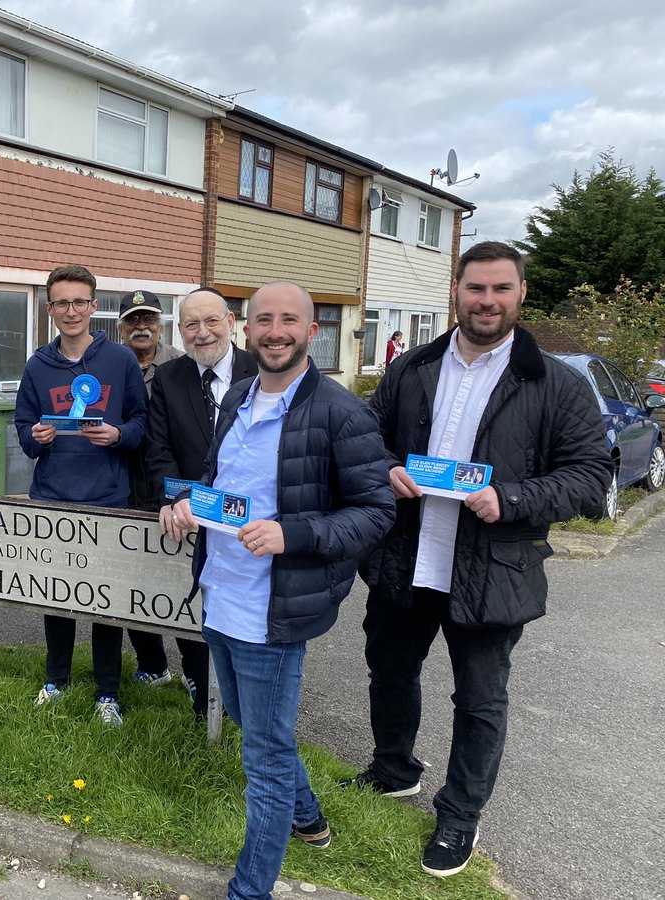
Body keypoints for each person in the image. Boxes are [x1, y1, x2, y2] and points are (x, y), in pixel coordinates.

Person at [350, 241, 612, 877]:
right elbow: (365, 438)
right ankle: (394, 770)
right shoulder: (413, 368)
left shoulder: (556, 382)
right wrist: (384, 468)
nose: (487, 301)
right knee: (389, 670)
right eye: (475, 289)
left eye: (500, 289)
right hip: (406, 560)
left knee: (480, 700)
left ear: (521, 295)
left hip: (492, 572)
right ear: (456, 292)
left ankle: (459, 816)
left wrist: (514, 496)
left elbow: (591, 476)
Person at [168, 281, 394, 900]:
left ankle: (250, 890)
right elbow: (218, 481)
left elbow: (376, 512)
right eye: (264, 320)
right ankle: (310, 818)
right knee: (247, 718)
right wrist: (189, 503)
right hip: (220, 591)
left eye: (288, 321)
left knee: (263, 758)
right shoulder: (238, 396)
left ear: (311, 330)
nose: (275, 332)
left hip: (275, 608)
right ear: (247, 327)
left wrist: (290, 534)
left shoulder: (341, 413)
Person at [14, 264, 149, 726]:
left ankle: (107, 691)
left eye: (80, 302)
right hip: (53, 496)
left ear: (94, 307)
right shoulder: (37, 365)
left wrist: (118, 435)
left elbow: (141, 423)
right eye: (61, 303)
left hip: (108, 498)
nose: (70, 311)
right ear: (49, 309)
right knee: (58, 594)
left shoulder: (121, 360)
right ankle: (57, 679)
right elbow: (24, 434)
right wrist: (38, 437)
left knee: (105, 602)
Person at [147, 287, 258, 719]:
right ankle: (203, 702)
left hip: (249, 517)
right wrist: (175, 498)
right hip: (192, 515)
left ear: (230, 321)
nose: (202, 333)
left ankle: (240, 703)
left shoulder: (260, 368)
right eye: (191, 324)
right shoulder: (170, 377)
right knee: (195, 607)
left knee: (242, 617)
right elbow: (160, 448)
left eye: (211, 321)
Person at [117, 288, 184, 689]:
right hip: (124, 480)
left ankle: (196, 670)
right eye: (133, 320)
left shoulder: (181, 364)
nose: (141, 327)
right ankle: (152, 664)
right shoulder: (112, 363)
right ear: (122, 326)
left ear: (161, 325)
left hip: (168, 481)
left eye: (149, 320)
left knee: (178, 573)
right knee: (131, 575)